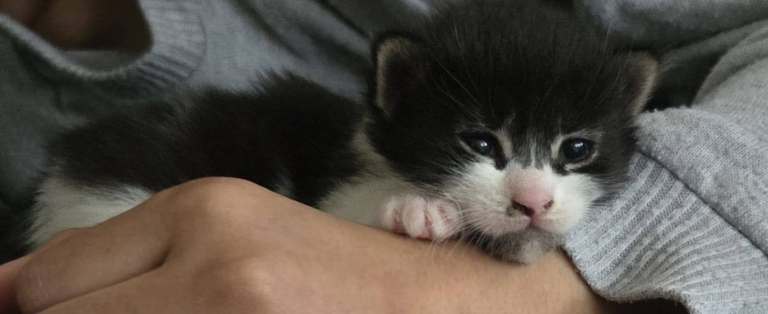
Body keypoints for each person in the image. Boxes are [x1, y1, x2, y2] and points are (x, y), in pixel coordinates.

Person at [0, 0, 766, 313]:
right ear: (394, 100)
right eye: (482, 148)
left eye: (574, 152)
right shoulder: (363, 161)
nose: (536, 190)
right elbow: (335, 217)